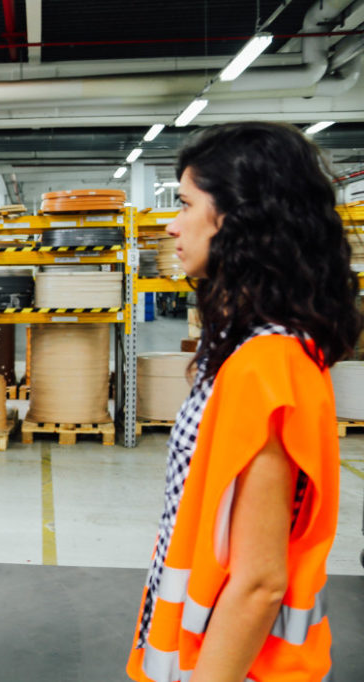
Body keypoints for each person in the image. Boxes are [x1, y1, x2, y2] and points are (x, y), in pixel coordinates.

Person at [127, 122, 362, 682]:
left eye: (184, 204)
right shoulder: (266, 349)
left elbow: (260, 583)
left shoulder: (266, 364)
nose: (171, 222)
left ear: (234, 218)